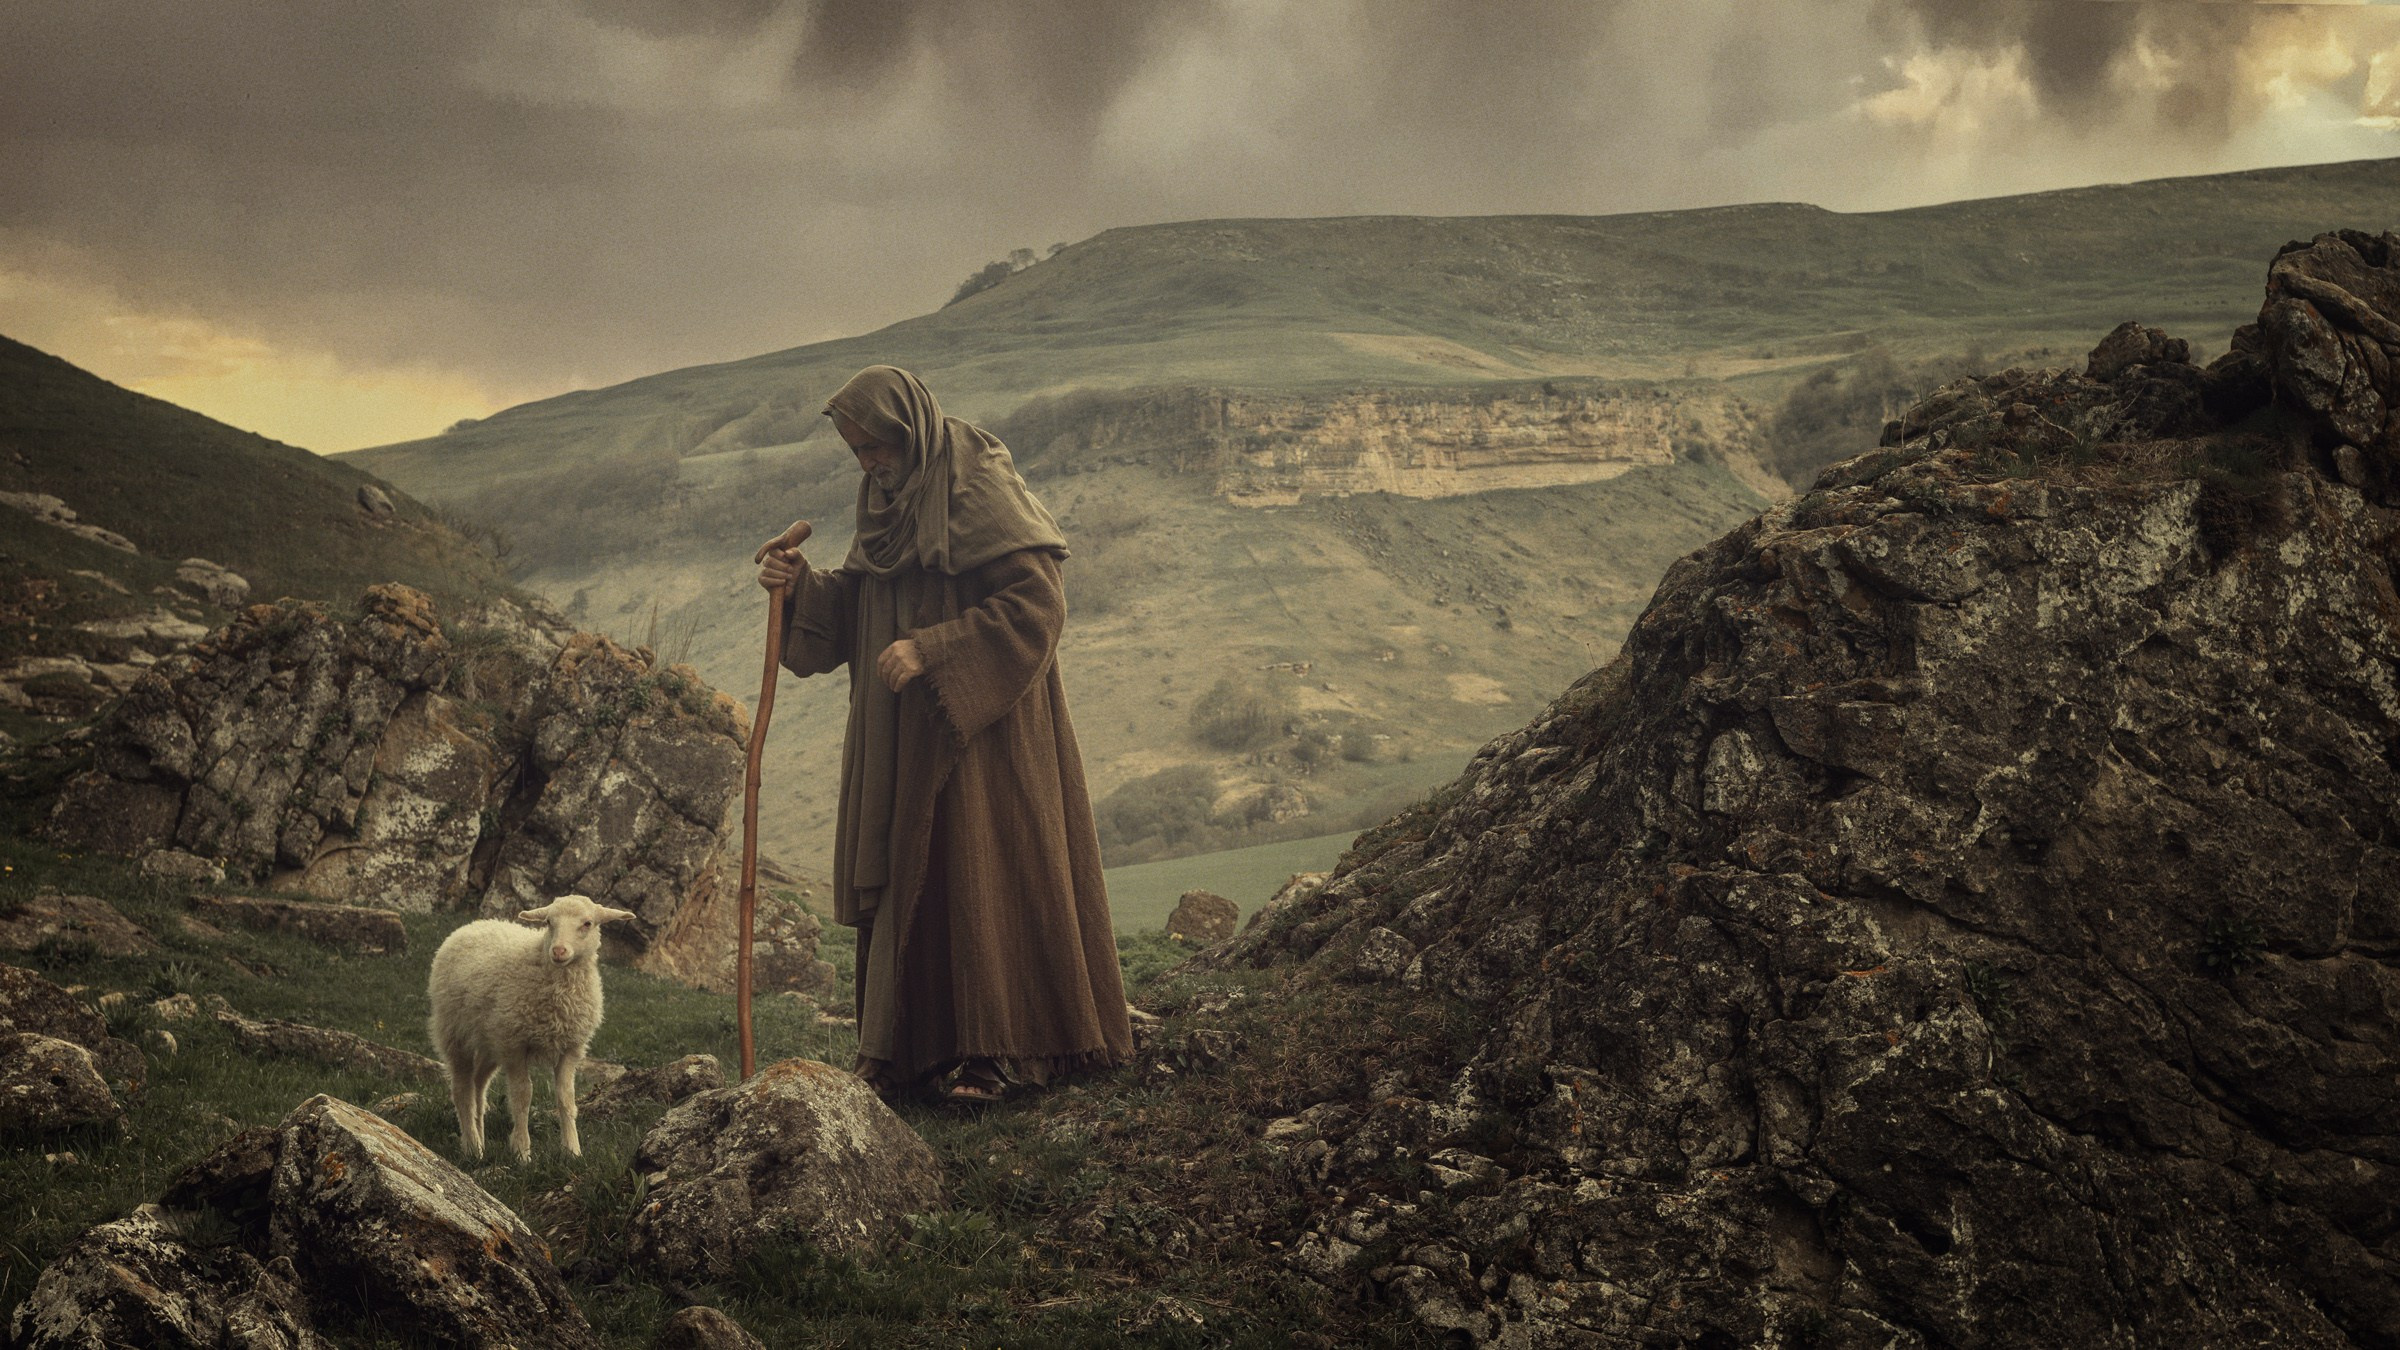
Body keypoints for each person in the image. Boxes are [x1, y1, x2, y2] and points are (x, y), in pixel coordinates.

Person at [752, 365, 1132, 1103]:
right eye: (856, 451)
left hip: (985, 732)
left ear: (907, 429)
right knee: (913, 877)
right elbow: (864, 606)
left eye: (876, 447)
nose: (868, 464)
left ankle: (1002, 1052)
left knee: (983, 870)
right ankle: (908, 1051)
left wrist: (936, 650)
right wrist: (799, 587)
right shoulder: (886, 502)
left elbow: (1037, 606)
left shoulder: (975, 482)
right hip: (902, 733)